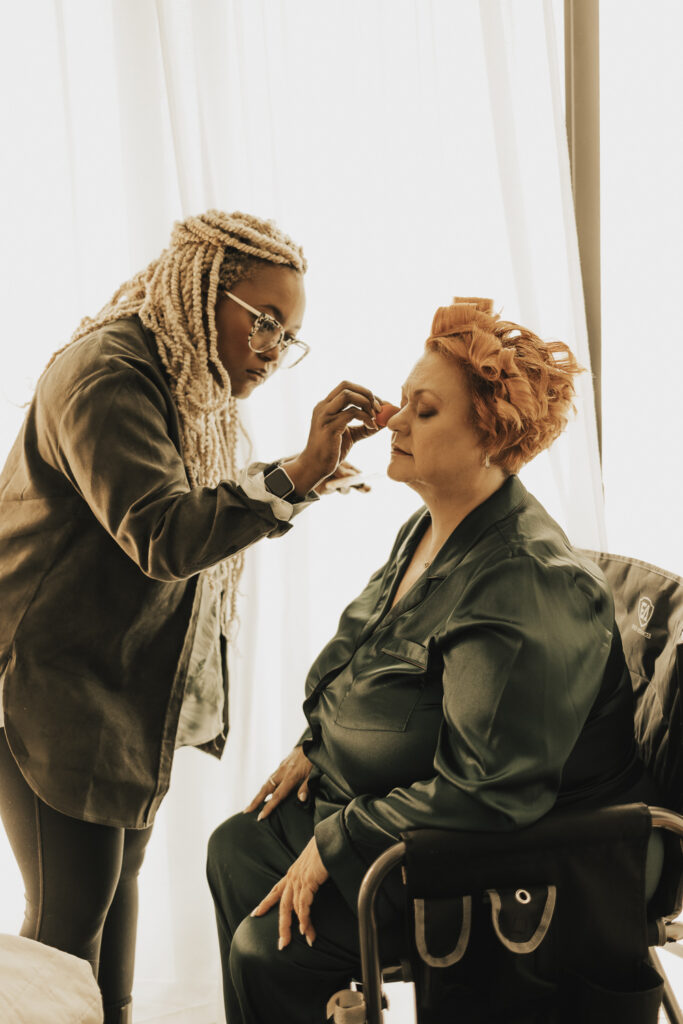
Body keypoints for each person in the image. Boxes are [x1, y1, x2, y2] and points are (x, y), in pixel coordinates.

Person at [206, 296, 658, 1024]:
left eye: (423, 411)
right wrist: (316, 745)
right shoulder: (429, 527)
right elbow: (359, 658)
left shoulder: (525, 582)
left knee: (270, 951)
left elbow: (491, 792)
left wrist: (342, 839)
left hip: (521, 852)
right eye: (402, 403)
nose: (390, 421)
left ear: (492, 441)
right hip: (411, 805)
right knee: (238, 846)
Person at [0, 209, 386, 1024]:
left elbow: (192, 510)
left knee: (111, 903)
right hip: (44, 680)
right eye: (265, 321)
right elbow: (164, 533)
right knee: (65, 932)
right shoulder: (108, 374)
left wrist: (302, 480)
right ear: (202, 287)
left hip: (107, 686)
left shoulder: (181, 381)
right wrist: (298, 473)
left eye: (289, 334)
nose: (274, 350)